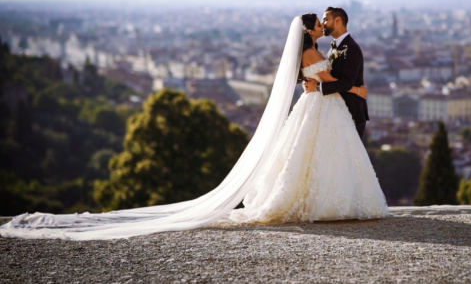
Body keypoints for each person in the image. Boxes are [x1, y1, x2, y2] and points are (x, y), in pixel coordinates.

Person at [0, 15, 389, 240]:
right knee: (316, 157)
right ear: (308, 32)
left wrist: (333, 84)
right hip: (318, 106)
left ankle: (325, 202)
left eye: (325, 23)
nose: (323, 26)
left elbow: (317, 79)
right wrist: (347, 86)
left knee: (312, 158)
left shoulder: (316, 48)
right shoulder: (310, 50)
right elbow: (314, 81)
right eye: (318, 24)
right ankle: (327, 202)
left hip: (321, 107)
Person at [303, 7, 369, 138]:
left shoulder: (351, 49)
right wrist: (358, 90)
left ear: (338, 20)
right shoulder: (334, 46)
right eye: (321, 21)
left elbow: (345, 83)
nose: (323, 24)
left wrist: (316, 87)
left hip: (352, 112)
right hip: (337, 111)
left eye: (326, 20)